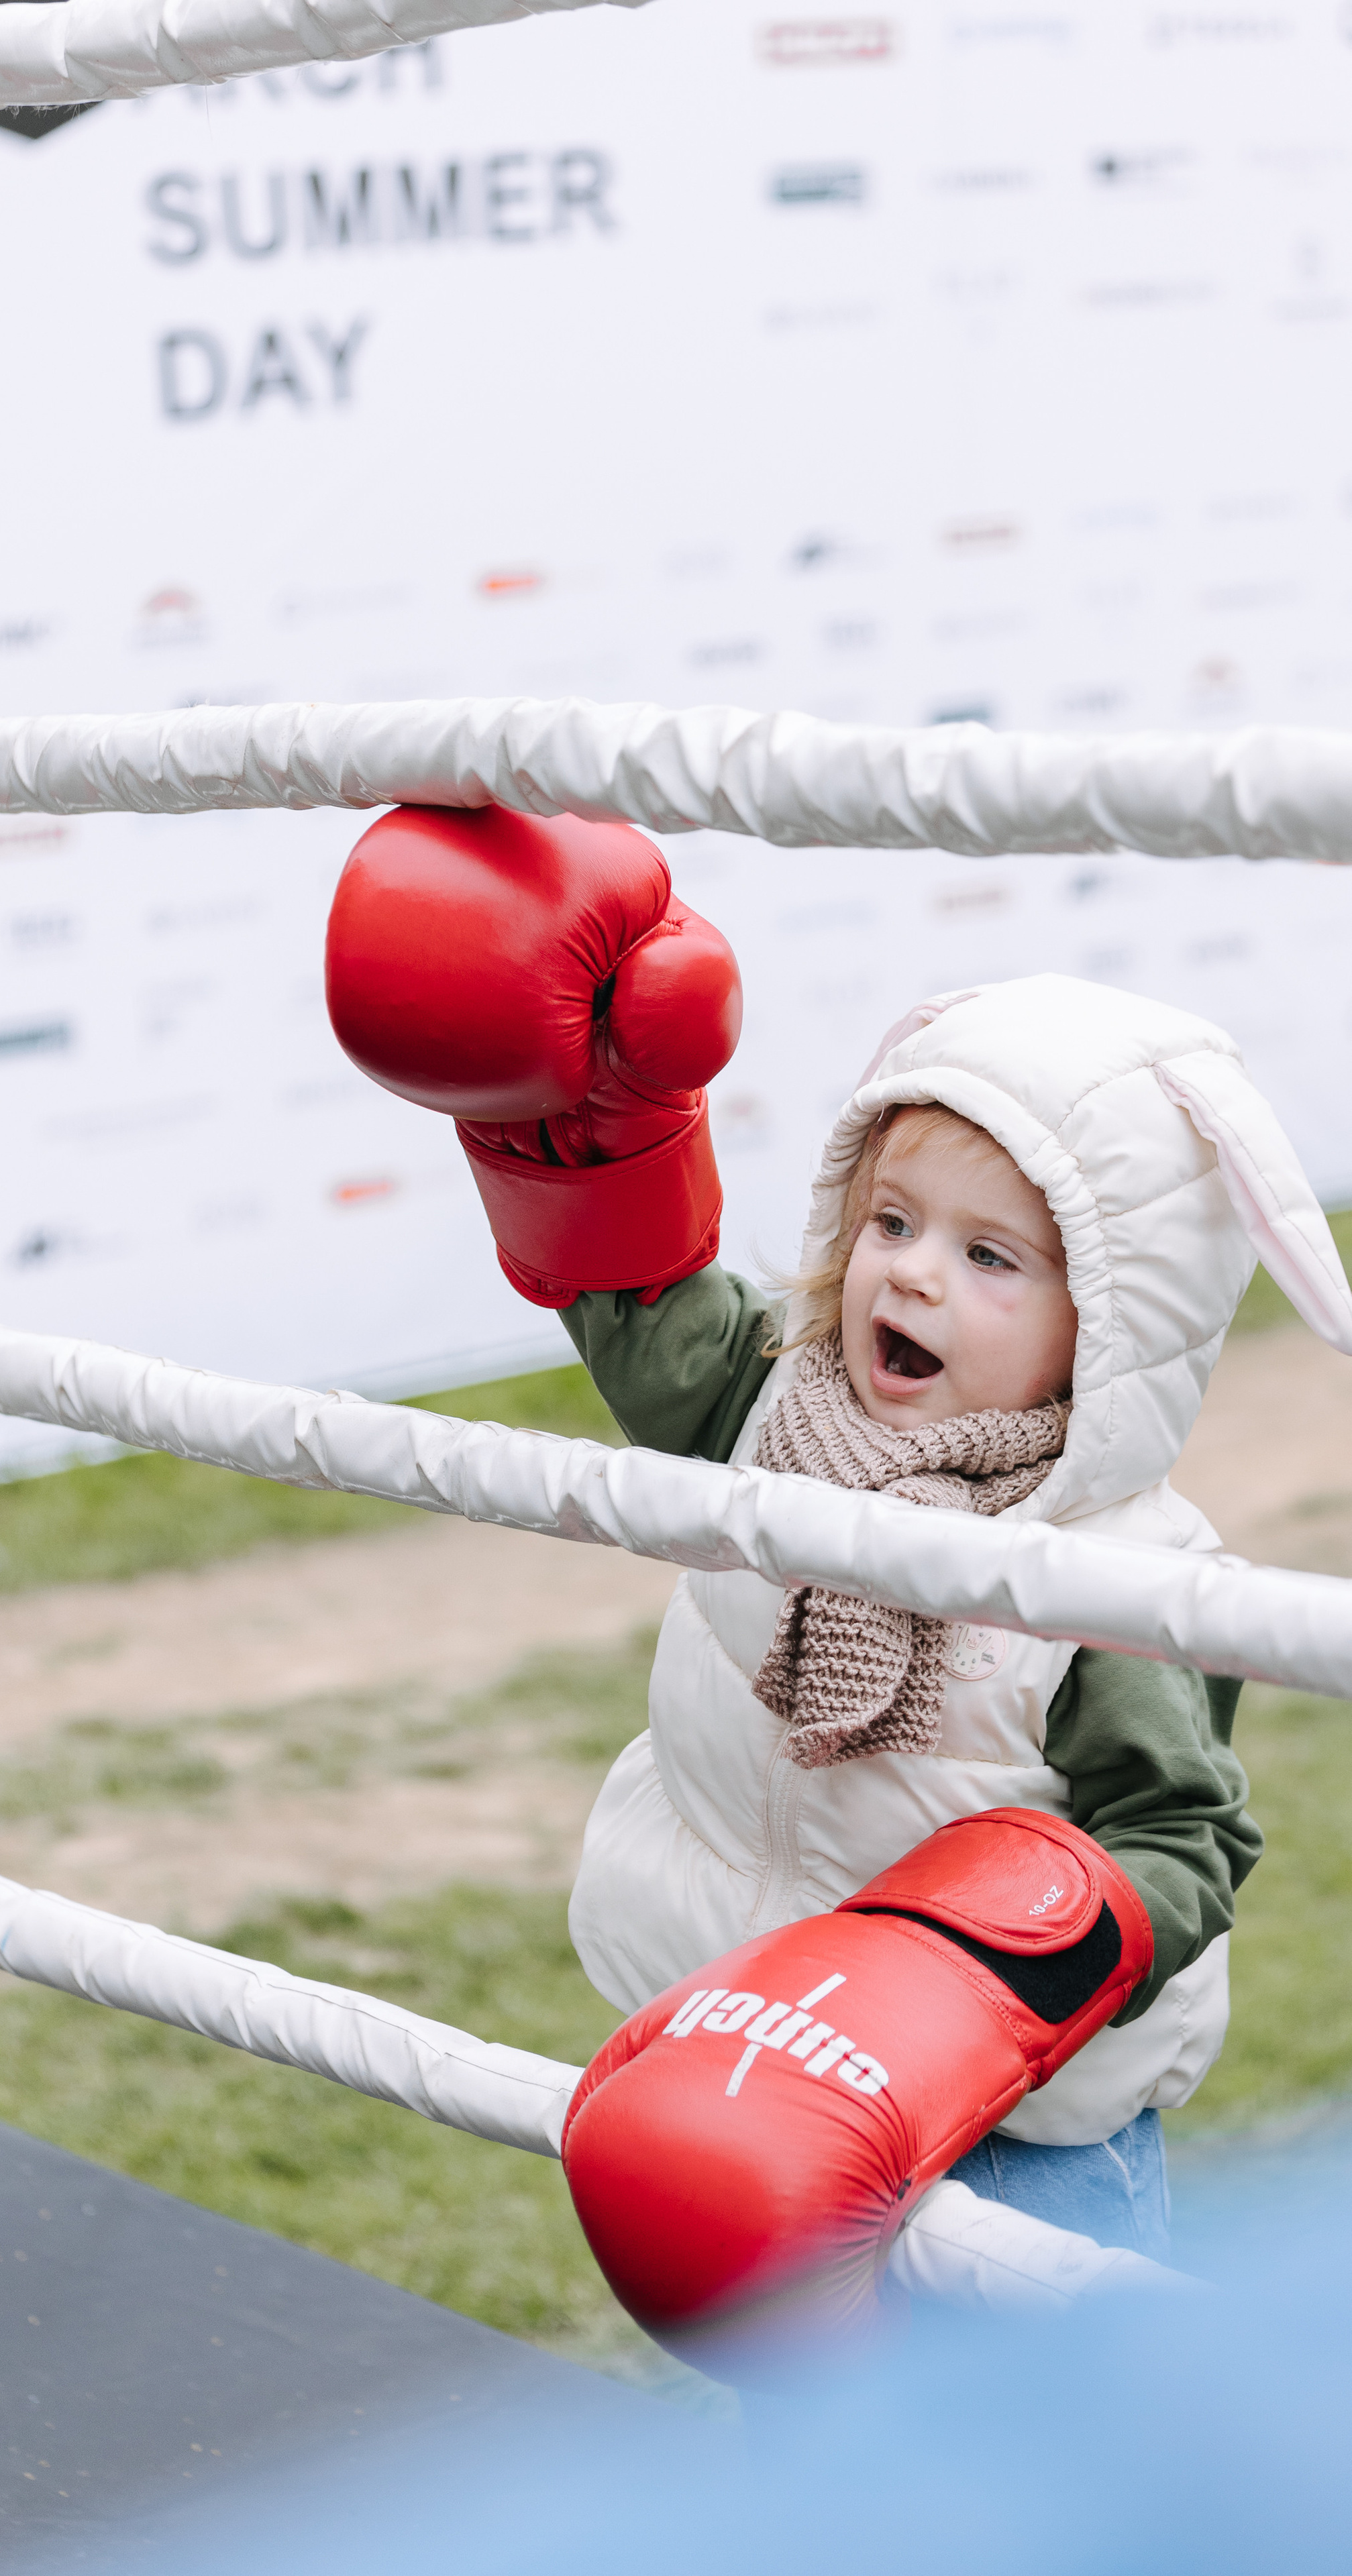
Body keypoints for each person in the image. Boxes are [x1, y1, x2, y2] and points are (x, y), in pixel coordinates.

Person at [323, 802, 1352, 2277]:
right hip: (741, 2059)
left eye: (987, 1256)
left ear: (1110, 1331)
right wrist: (582, 1131)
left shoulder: (1121, 1580)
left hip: (1007, 2124)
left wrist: (947, 1985)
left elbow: (1179, 1845)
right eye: (889, 1222)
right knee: (810, 2443)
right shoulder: (772, 1410)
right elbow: (646, 1317)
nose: (913, 1276)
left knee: (1030, 2462)